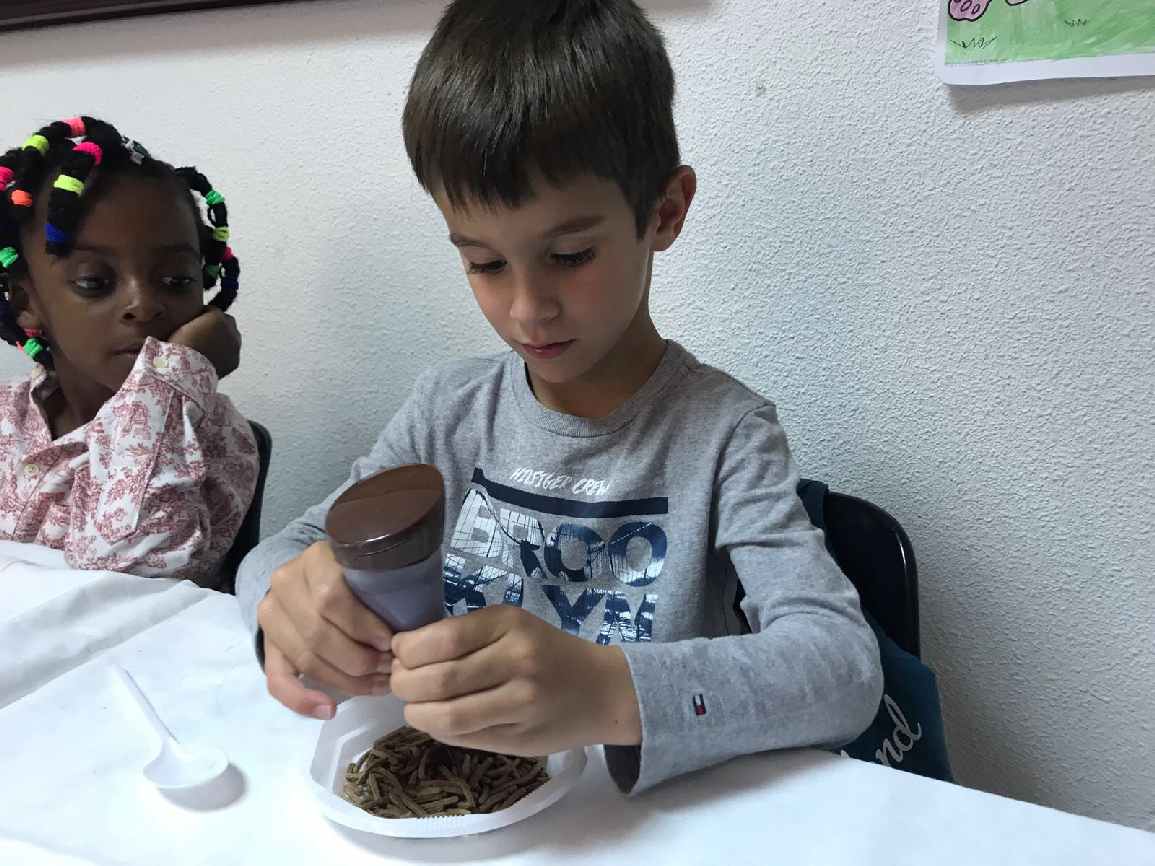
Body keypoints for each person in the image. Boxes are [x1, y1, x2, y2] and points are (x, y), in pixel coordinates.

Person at [239, 0, 882, 793]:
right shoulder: (446, 412)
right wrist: (284, 601)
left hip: (643, 827)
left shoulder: (724, 436)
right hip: (460, 809)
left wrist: (612, 691)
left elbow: (842, 669)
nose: (526, 309)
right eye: (484, 263)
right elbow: (288, 548)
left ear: (663, 212)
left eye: (570, 254)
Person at [0, 116, 257, 587]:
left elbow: (128, 579)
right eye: (95, 282)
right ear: (25, 304)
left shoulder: (218, 437)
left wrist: (173, 379)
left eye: (176, 280)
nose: (143, 305)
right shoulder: (6, 420)